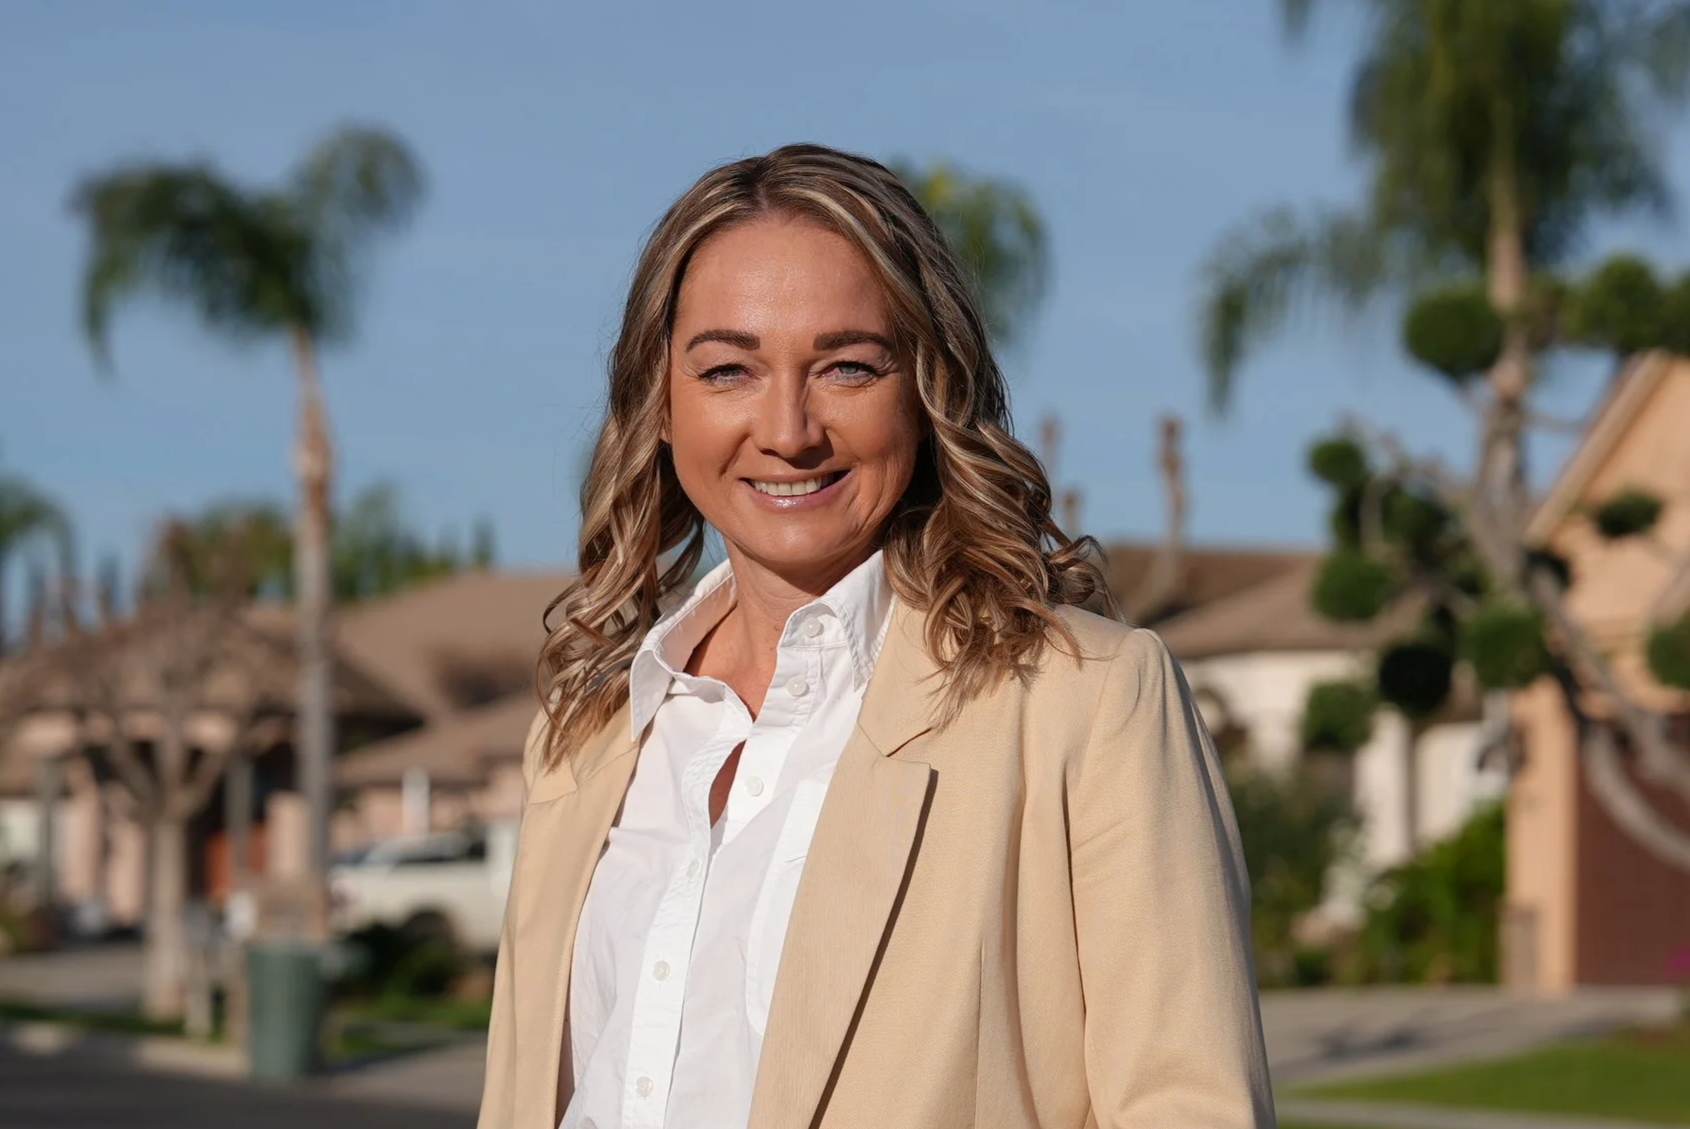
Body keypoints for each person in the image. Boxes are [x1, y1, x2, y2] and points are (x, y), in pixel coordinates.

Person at [477, 143, 1273, 1129]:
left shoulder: (1085, 704)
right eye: (729, 369)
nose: (787, 427)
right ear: (661, 404)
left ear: (925, 388)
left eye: (846, 366)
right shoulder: (584, 738)